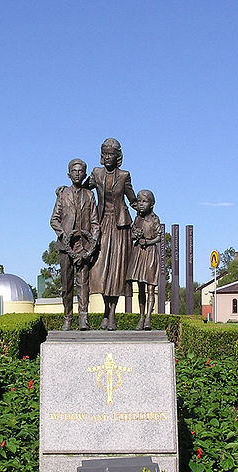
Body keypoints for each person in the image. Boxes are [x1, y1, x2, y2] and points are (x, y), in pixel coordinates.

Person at [86, 138, 137, 330]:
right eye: (105, 154)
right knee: (100, 270)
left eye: (111, 154)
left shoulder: (124, 176)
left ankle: (112, 314)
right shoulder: (96, 173)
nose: (108, 157)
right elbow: (83, 188)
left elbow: (132, 199)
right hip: (101, 224)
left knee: (116, 271)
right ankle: (106, 310)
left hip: (119, 227)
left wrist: (146, 215)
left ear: (118, 157)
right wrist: (64, 191)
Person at [50, 159, 100, 331]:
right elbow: (54, 220)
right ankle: (67, 318)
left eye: (80, 171)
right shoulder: (63, 194)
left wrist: (92, 243)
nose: (77, 173)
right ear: (68, 174)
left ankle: (83, 318)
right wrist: (64, 235)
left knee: (83, 284)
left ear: (85, 174)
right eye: (74, 170)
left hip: (84, 246)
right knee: (66, 285)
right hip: (66, 247)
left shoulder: (89, 195)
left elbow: (95, 222)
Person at [126, 189, 161, 330]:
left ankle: (148, 319)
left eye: (144, 201)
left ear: (151, 204)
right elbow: (132, 234)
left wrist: (148, 241)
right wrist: (135, 234)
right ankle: (141, 317)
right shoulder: (137, 218)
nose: (141, 204)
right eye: (139, 201)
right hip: (138, 253)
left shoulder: (154, 219)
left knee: (150, 288)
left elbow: (159, 236)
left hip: (150, 254)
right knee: (140, 287)